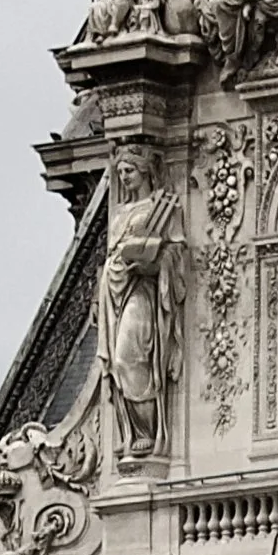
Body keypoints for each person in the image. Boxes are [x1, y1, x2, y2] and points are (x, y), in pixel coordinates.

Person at [96, 144, 189, 464]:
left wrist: (154, 263)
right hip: (114, 291)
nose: (124, 178)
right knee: (119, 364)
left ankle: (148, 434)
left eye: (129, 171)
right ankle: (133, 433)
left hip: (145, 291)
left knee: (128, 357)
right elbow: (112, 254)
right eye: (120, 172)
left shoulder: (162, 208)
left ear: (146, 170)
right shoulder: (120, 213)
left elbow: (177, 254)